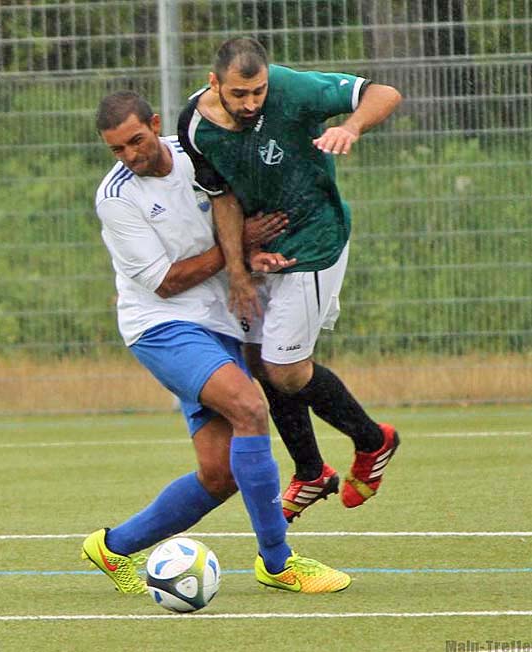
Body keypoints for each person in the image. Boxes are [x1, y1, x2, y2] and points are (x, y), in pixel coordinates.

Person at [81, 90, 351, 596]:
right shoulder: (116, 198)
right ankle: (278, 562)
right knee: (250, 408)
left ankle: (113, 547)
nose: (130, 155)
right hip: (162, 326)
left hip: (221, 323)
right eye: (117, 149)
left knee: (220, 474)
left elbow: (241, 217)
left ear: (155, 125)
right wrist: (238, 246)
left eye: (136, 141)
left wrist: (255, 255)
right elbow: (166, 283)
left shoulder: (197, 155)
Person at [178, 37, 402, 522]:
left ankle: (373, 440)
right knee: (258, 361)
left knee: (285, 370)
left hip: (316, 238)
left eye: (258, 91)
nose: (250, 103)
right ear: (214, 83)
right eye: (239, 94)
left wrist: (351, 126)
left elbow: (384, 93)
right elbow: (223, 198)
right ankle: (312, 472)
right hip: (263, 252)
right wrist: (238, 269)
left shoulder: (292, 89)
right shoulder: (194, 126)